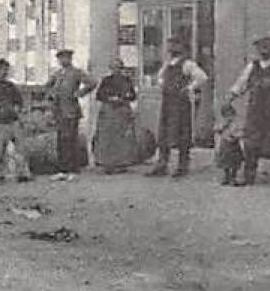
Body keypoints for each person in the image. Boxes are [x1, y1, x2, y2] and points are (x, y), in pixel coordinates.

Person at [229, 36, 270, 187]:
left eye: (267, 47)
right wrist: (231, 97)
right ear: (257, 50)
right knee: (251, 143)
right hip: (256, 111)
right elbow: (241, 84)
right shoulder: (252, 67)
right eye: (261, 47)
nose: (264, 50)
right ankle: (249, 176)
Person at [148, 37, 209, 177]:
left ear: (182, 47)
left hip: (181, 103)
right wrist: (162, 83)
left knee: (182, 133)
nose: (172, 48)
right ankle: (162, 164)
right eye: (170, 45)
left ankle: (182, 165)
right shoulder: (168, 63)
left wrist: (189, 88)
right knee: (164, 132)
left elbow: (202, 77)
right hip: (167, 102)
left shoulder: (188, 64)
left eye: (175, 45)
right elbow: (159, 77)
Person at [46, 48, 96, 175]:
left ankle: (73, 167)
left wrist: (79, 93)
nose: (63, 60)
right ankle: (62, 167)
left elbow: (92, 82)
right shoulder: (57, 74)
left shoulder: (76, 72)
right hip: (58, 111)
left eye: (66, 58)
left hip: (71, 110)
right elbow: (47, 86)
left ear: (70, 59)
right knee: (61, 139)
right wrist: (51, 96)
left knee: (71, 139)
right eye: (61, 58)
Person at [0, 58, 31, 183]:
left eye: (5, 69)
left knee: (20, 149)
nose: (4, 72)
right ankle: (0, 174)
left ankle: (22, 173)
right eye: (1, 69)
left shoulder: (11, 87)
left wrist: (17, 111)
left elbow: (19, 101)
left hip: (13, 122)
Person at [92, 57, 140, 174]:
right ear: (110, 69)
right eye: (113, 68)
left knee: (122, 138)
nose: (116, 70)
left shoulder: (127, 80)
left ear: (121, 68)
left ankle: (122, 163)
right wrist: (109, 98)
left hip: (122, 111)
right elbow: (99, 95)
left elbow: (133, 95)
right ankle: (107, 163)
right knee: (107, 138)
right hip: (109, 112)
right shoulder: (106, 81)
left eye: (118, 68)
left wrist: (124, 98)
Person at [214, 100, 245, 186]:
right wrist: (223, 126)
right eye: (227, 115)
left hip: (234, 145)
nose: (229, 117)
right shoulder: (222, 123)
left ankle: (233, 177)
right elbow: (216, 129)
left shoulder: (236, 123)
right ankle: (226, 176)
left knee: (235, 162)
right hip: (225, 145)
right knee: (225, 162)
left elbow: (240, 132)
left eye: (231, 115)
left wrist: (237, 135)